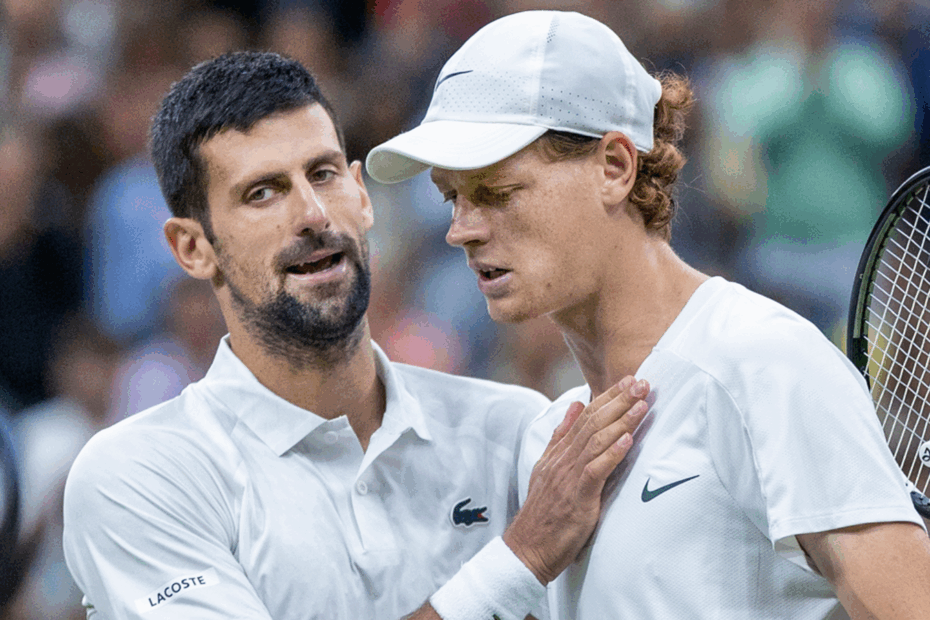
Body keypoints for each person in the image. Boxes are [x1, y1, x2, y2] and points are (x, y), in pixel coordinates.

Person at [366, 10, 930, 619]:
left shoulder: (765, 364)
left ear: (614, 167)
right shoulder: (549, 448)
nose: (460, 231)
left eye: (497, 192)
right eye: (453, 197)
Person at [61, 51, 648, 620]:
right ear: (193, 247)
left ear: (362, 196)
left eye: (323, 174)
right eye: (262, 192)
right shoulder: (141, 475)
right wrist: (522, 558)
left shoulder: (517, 430)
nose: (314, 213)